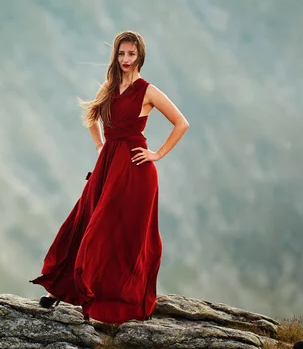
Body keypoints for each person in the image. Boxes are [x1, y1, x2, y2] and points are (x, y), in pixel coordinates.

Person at [29, 30, 189, 324]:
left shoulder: (148, 91)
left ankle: (102, 300)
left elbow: (181, 123)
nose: (126, 59)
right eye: (121, 53)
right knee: (84, 220)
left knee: (116, 235)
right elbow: (92, 118)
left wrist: (158, 153)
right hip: (107, 166)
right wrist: (101, 146)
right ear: (115, 55)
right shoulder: (108, 86)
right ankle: (62, 290)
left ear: (140, 56)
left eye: (131, 54)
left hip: (135, 170)